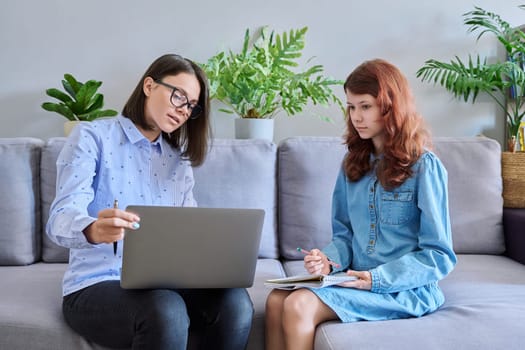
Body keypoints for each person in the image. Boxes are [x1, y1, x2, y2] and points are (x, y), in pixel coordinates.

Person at [46, 53, 253, 350]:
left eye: (191, 106)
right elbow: (60, 218)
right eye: (178, 97)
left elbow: (190, 233)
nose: (183, 111)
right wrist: (91, 228)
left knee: (235, 302)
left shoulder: (177, 163)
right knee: (166, 308)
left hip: (165, 285)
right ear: (149, 86)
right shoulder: (92, 137)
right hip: (95, 285)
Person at [265, 58, 457, 350]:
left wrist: (376, 279)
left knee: (299, 305)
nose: (356, 116)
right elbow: (344, 236)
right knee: (276, 300)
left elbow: (439, 255)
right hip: (354, 280)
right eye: (351, 107)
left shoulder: (424, 167)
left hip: (403, 289)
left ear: (390, 105)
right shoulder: (352, 165)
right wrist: (327, 261)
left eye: (365, 106)